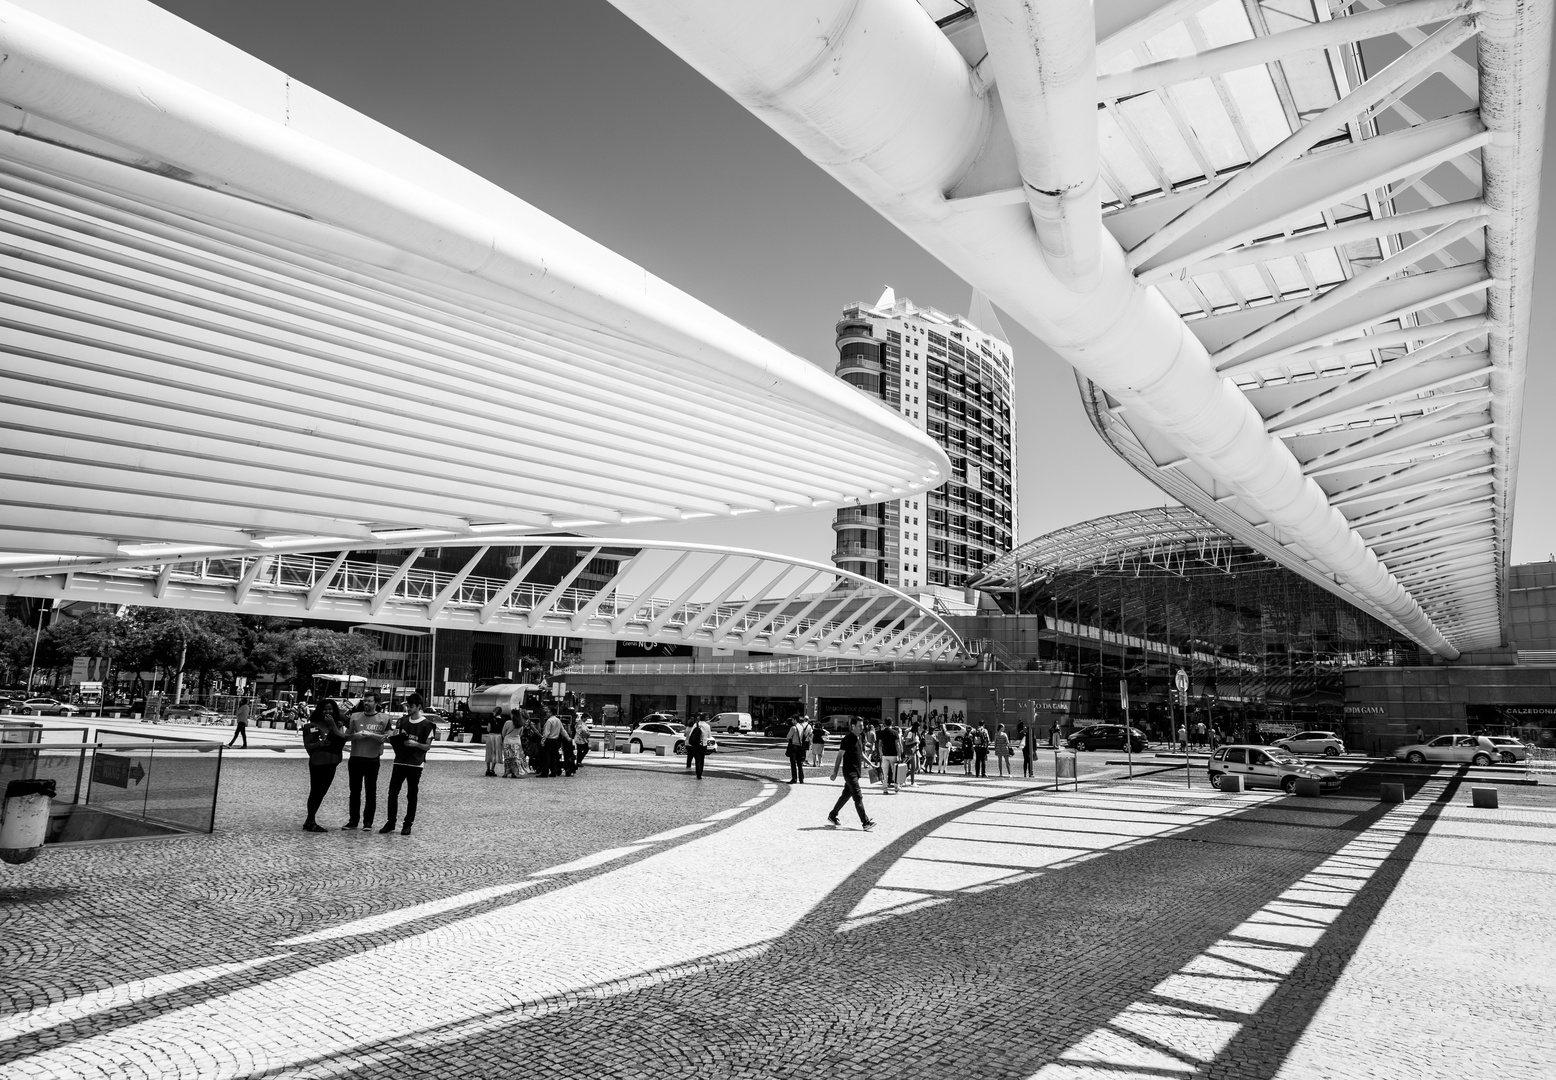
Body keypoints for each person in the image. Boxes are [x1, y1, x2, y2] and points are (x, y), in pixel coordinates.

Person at [381, 694, 435, 836]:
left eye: (411, 706)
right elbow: (395, 736)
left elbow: (427, 747)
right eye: (407, 706)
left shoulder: (427, 725)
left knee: (411, 794)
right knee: (392, 792)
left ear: (418, 707)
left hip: (415, 763)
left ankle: (407, 823)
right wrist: (390, 738)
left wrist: (415, 744)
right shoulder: (402, 721)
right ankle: (391, 821)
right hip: (400, 760)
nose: (408, 709)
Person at [344, 692, 390, 830]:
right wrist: (355, 736)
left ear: (376, 703)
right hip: (356, 757)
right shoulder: (354, 717)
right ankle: (353, 820)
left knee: (371, 791)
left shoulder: (384, 718)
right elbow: (345, 737)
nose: (367, 703)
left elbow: (387, 738)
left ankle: (368, 822)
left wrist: (372, 735)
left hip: (372, 758)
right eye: (365, 701)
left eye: (370, 701)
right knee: (354, 791)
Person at [301, 700, 348, 833]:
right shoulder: (311, 726)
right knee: (315, 791)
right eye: (325, 709)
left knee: (322, 792)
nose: (328, 712)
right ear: (320, 710)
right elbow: (308, 745)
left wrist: (333, 725)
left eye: (331, 709)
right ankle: (310, 820)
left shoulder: (336, 725)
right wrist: (320, 745)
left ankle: (310, 820)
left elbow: (341, 739)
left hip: (332, 762)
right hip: (317, 762)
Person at [827, 717, 875, 831]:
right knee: (858, 796)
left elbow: (862, 754)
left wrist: (872, 765)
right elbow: (839, 756)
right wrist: (834, 773)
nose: (862, 727)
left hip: (856, 773)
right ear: (853, 726)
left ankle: (832, 815)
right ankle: (865, 822)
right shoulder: (847, 739)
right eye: (860, 726)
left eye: (863, 725)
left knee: (845, 796)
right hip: (849, 773)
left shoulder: (860, 737)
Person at [876, 719, 900, 794]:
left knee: (884, 772)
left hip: (885, 755)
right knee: (895, 771)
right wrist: (899, 754)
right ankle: (896, 786)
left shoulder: (882, 733)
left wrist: (880, 753)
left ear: (885, 723)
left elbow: (879, 744)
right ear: (892, 723)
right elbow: (897, 745)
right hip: (893, 754)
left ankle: (885, 788)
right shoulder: (895, 733)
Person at [501, 711, 526, 778]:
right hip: (517, 742)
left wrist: (505, 737)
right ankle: (514, 772)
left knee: (507, 758)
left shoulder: (508, 723)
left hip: (508, 741)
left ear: (513, 715)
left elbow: (503, 732)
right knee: (515, 758)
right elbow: (520, 734)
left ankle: (506, 772)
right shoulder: (521, 724)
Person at [786, 715, 810, 784]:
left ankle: (794, 778)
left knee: (793, 763)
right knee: (799, 764)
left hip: (794, 746)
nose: (791, 721)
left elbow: (788, 737)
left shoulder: (793, 728)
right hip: (800, 747)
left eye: (792, 720)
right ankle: (801, 779)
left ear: (795, 720)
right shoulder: (801, 727)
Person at [686, 714, 712, 779]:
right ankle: (701, 772)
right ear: (705, 718)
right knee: (702, 758)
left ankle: (698, 773)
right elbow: (709, 736)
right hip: (704, 744)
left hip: (696, 744)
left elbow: (691, 734)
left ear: (699, 718)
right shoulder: (707, 726)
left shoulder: (695, 725)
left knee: (697, 759)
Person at [540, 711, 565, 777]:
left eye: (548, 712)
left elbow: (546, 732)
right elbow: (562, 730)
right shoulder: (558, 720)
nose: (547, 713)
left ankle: (545, 772)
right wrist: (568, 738)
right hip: (555, 740)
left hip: (549, 740)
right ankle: (553, 772)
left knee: (547, 757)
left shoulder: (549, 721)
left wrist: (543, 740)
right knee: (553, 756)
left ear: (551, 713)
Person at [483, 709, 504, 778]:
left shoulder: (491, 720)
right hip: (498, 737)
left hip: (491, 736)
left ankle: (488, 769)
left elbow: (488, 729)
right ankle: (492, 769)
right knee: (495, 753)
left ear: (495, 712)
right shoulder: (503, 720)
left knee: (489, 752)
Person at [902, 722, 920, 787]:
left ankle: (904, 777)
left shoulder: (915, 733)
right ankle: (912, 782)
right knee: (913, 767)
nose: (919, 728)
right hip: (910, 752)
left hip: (914, 751)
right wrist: (915, 741)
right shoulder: (910, 733)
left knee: (915, 767)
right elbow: (906, 743)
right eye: (918, 727)